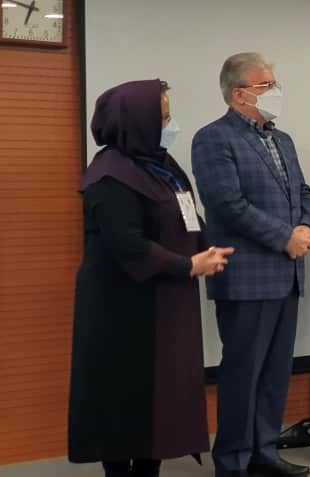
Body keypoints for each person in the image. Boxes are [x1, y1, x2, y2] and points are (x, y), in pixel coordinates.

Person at [69, 79, 233, 477]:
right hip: (122, 310)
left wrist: (207, 248)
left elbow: (186, 215)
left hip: (166, 303)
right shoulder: (109, 174)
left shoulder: (163, 165)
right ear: (135, 121)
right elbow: (126, 243)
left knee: (162, 400)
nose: (170, 124)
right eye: (162, 117)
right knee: (122, 400)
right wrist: (187, 266)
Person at [191, 52, 310, 477]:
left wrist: (307, 227)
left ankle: (265, 452)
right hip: (248, 277)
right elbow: (227, 205)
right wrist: (285, 238)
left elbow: (304, 192)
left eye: (274, 83)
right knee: (243, 372)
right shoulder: (213, 138)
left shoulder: (282, 140)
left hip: (287, 275)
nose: (275, 91)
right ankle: (233, 461)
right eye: (267, 85)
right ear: (239, 94)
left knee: (275, 373)